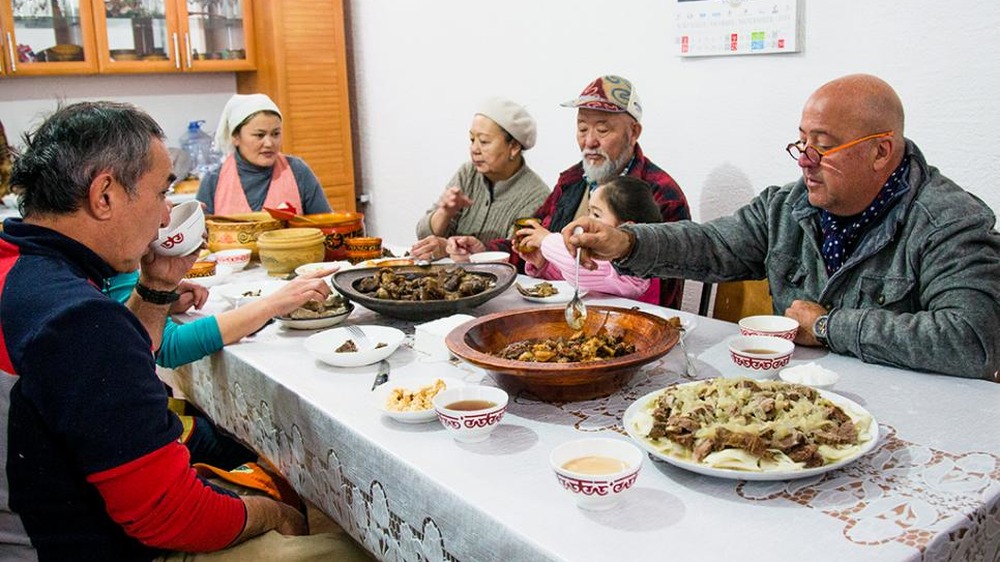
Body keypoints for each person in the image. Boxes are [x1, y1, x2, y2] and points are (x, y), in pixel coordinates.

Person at [0, 101, 343, 558]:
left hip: (49, 505)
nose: (165, 217)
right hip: (72, 544)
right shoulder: (76, 320)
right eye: (162, 194)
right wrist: (271, 515)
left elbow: (107, 375)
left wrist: (156, 287)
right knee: (335, 540)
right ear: (104, 195)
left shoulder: (22, 269)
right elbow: (172, 517)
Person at [563, 74, 1000, 381]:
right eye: (802, 141)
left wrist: (830, 327)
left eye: (823, 146)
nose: (804, 158)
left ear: (881, 152)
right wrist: (624, 241)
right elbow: (713, 244)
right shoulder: (788, 206)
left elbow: (972, 341)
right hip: (802, 400)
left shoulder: (948, 221)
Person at [447, 75, 690, 308]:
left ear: (634, 132)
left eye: (602, 130)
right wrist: (483, 250)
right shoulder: (573, 180)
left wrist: (546, 244)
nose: (590, 141)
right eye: (582, 129)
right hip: (559, 312)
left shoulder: (661, 194)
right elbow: (536, 236)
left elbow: (663, 294)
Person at [411, 97, 550, 261]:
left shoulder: (537, 196)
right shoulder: (468, 173)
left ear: (514, 147)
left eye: (484, 141)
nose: (474, 149)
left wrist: (449, 249)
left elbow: (516, 256)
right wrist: (445, 212)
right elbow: (423, 235)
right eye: (472, 139)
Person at [518, 176, 663, 304]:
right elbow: (578, 282)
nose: (587, 220)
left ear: (627, 229)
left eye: (596, 215)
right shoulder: (602, 262)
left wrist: (545, 240)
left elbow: (581, 269)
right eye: (589, 212)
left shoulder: (634, 269)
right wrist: (543, 264)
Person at [196, 93, 332, 216]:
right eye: (259, 135)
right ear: (236, 137)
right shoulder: (214, 181)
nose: (269, 143)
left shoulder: (298, 171)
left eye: (275, 134)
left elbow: (325, 225)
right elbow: (202, 238)